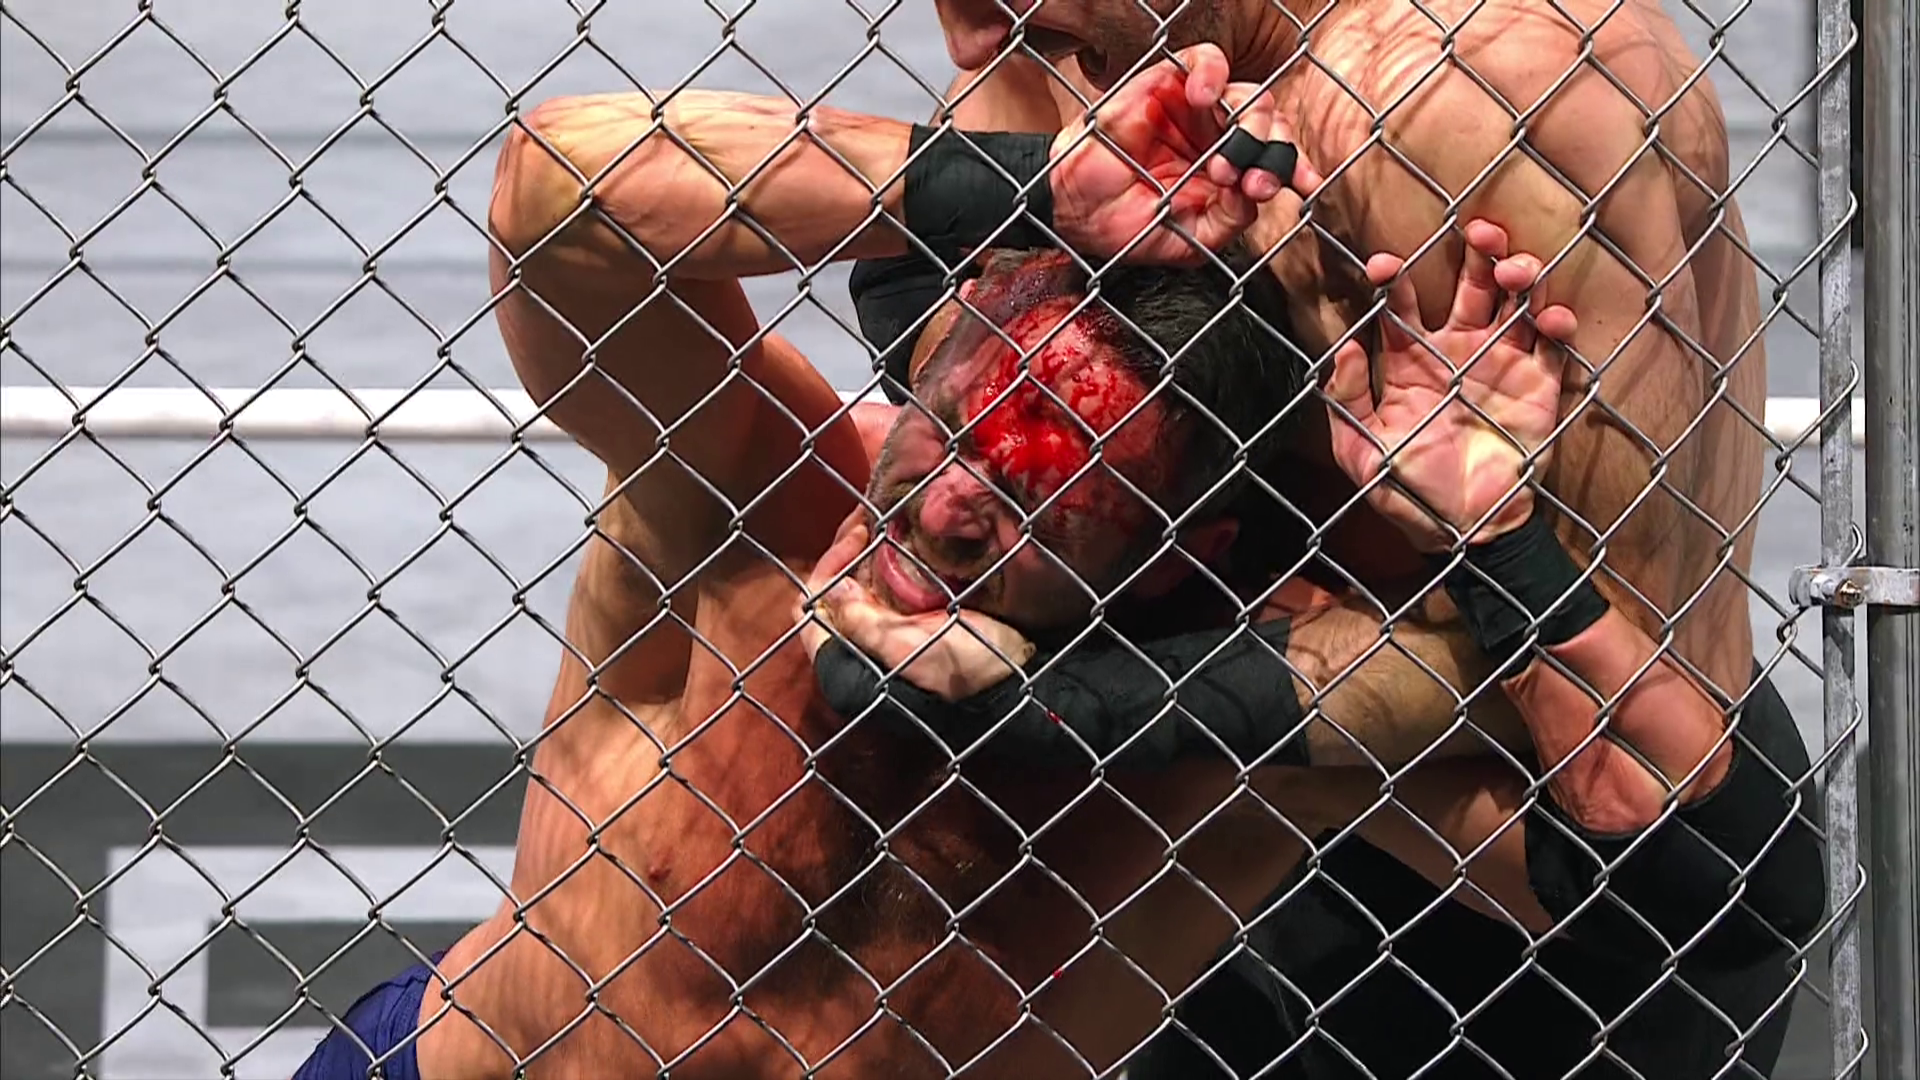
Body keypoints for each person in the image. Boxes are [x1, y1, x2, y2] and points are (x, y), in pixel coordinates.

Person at [289, 52, 1460, 1080]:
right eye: (945, 430)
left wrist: (1072, 709)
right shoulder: (770, 492)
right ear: (945, 343)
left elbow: (1541, 785)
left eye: (1030, 503)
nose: (944, 507)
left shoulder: (1233, 726)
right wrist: (1033, 183)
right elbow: (559, 192)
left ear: (1171, 558)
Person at [806, 0, 1826, 1073]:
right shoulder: (1118, 50)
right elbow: (927, 290)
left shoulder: (1472, 90)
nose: (977, 34)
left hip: (1529, 901)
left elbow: (1643, 743)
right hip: (1250, 843)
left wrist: (1064, 704)